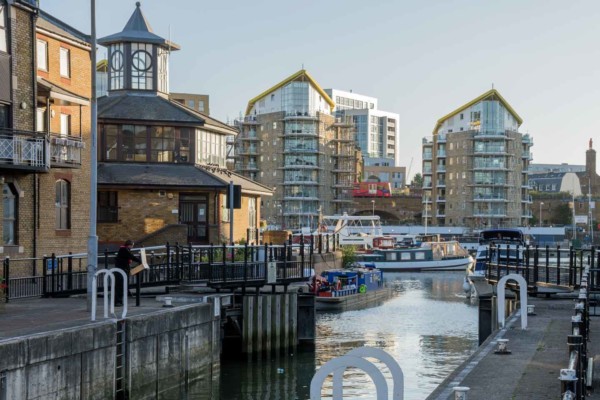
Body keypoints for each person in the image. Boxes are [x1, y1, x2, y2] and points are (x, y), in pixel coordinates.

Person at [114, 240, 141, 306]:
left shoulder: (125, 249)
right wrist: (140, 261)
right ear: (129, 245)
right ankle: (118, 301)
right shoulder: (124, 249)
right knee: (120, 286)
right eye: (132, 246)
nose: (132, 247)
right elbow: (131, 256)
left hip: (123, 269)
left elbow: (129, 257)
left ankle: (120, 301)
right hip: (121, 270)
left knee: (122, 286)